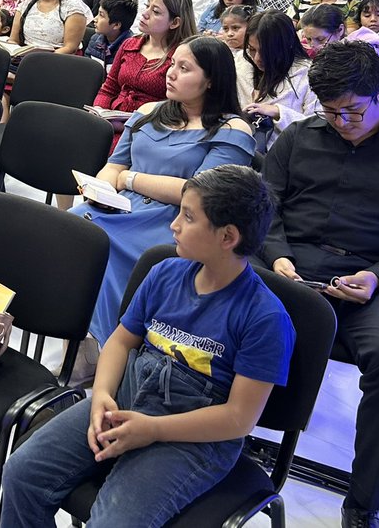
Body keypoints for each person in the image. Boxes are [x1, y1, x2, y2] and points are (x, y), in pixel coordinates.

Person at [0, 164, 292, 528]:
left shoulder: (264, 318)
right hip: (126, 398)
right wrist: (103, 393)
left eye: (187, 217)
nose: (174, 225)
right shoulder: (165, 272)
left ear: (227, 237)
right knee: (22, 474)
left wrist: (153, 430)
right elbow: (121, 341)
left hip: (193, 436)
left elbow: (238, 419)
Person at [260, 41, 379, 527]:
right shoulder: (300, 137)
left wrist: (378, 276)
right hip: (291, 271)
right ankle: (203, 442)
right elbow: (264, 210)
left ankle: (362, 503)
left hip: (367, 280)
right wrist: (279, 257)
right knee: (205, 305)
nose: (340, 122)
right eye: (329, 112)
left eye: (351, 111)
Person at [78, 37, 256, 343]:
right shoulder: (149, 111)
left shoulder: (232, 129)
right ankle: (78, 337)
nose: (170, 73)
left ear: (211, 80)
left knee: (99, 243)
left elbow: (199, 192)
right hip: (122, 207)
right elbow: (115, 165)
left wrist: (129, 180)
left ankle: (107, 344)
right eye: (172, 64)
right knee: (72, 223)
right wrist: (98, 189)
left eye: (184, 68)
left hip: (179, 221)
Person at [93, 0, 196, 119]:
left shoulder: (182, 58)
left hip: (152, 127)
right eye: (147, 6)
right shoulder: (130, 44)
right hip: (113, 120)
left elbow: (179, 108)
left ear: (175, 22)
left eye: (156, 12)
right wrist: (99, 111)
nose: (145, 14)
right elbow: (109, 88)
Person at [237, 10, 316, 150]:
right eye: (252, 49)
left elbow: (317, 127)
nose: (257, 59)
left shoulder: (307, 74)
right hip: (240, 145)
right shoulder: (241, 64)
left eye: (266, 51)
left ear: (286, 45)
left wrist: (278, 112)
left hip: (288, 153)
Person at [85, 0, 137, 67]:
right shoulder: (95, 39)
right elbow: (86, 69)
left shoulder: (130, 51)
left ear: (116, 25)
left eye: (101, 15)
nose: (95, 19)